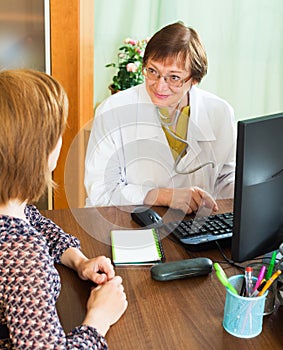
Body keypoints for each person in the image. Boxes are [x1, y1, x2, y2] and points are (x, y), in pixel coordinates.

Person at [0, 69, 127, 349]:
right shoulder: (21, 254)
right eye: (57, 134)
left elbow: (32, 219)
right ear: (37, 152)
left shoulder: (9, 206)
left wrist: (78, 261)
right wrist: (98, 319)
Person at [85, 22, 236, 214]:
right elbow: (101, 191)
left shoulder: (219, 112)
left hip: (196, 224)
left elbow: (225, 179)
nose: (159, 86)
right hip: (131, 221)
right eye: (153, 71)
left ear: (195, 79)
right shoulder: (113, 110)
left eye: (173, 77)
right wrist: (163, 195)